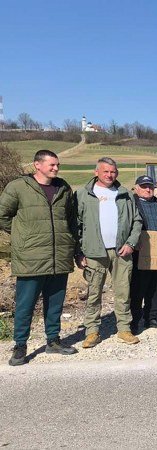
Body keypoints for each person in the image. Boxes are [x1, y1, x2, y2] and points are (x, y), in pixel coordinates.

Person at [1, 150, 79, 366]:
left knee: (55, 304)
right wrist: (22, 235)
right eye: (52, 165)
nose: (56, 168)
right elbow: (2, 215)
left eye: (57, 165)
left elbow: (71, 220)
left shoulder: (63, 188)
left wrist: (74, 247)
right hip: (31, 258)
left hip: (59, 256)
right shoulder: (18, 187)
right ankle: (20, 345)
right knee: (25, 305)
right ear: (37, 165)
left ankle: (53, 341)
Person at [75, 157, 142, 347]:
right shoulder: (83, 194)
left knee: (123, 292)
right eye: (105, 171)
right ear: (96, 172)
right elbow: (76, 225)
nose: (109, 175)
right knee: (94, 293)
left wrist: (131, 243)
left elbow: (137, 221)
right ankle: (92, 332)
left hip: (121, 251)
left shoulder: (125, 194)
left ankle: (124, 329)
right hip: (94, 252)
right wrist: (78, 253)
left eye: (113, 171)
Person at [130, 175, 157, 333]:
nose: (148, 189)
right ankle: (134, 321)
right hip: (140, 252)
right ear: (136, 188)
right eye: (144, 186)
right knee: (138, 288)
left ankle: (152, 317)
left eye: (150, 186)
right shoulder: (131, 203)